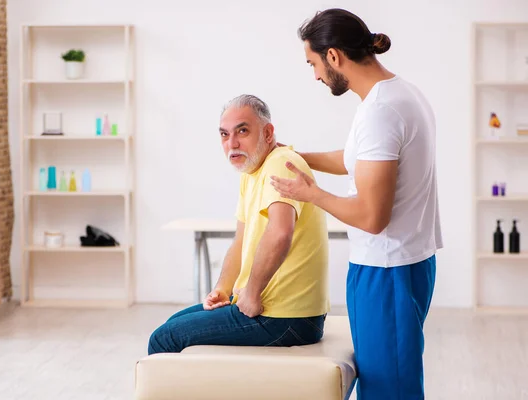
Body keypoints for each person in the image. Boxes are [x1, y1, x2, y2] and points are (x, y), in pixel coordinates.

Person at [270, 8, 442, 400]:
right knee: (390, 381)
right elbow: (356, 160)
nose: (314, 75)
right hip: (404, 264)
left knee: (388, 390)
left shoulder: (380, 112)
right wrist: (294, 154)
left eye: (313, 63)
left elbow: (371, 216)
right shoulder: (399, 94)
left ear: (334, 56)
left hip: (387, 270)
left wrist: (310, 193)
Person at [148, 94, 330, 355]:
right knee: (174, 324)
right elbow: (241, 242)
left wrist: (253, 294)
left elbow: (280, 233)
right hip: (273, 312)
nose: (232, 143)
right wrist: (222, 290)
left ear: (268, 133)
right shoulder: (252, 172)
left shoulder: (281, 163)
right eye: (224, 134)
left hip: (287, 318)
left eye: (242, 131)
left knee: (164, 339)